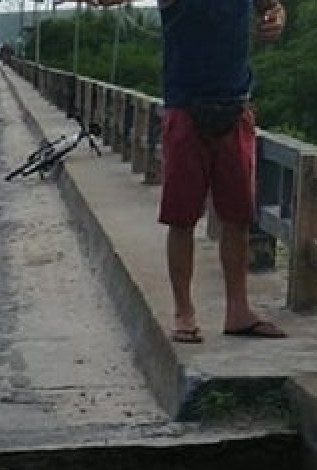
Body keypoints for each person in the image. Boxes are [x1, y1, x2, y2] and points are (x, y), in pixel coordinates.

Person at [87, 0, 288, 342]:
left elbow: (273, 8)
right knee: (182, 217)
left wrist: (276, 18)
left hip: (235, 105)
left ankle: (238, 310)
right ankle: (184, 312)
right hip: (185, 109)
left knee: (237, 217)